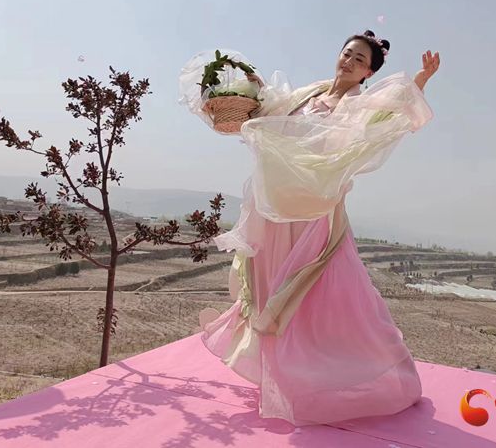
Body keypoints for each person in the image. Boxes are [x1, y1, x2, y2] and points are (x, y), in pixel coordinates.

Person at [178, 30, 440, 426]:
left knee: (331, 289)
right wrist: (252, 89)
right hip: (275, 204)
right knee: (270, 282)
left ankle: (376, 373)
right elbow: (272, 111)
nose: (349, 62)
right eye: (347, 53)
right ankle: (283, 375)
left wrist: (419, 80)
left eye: (360, 60)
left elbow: (392, 110)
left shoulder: (359, 105)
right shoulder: (310, 93)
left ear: (368, 73)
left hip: (315, 209)